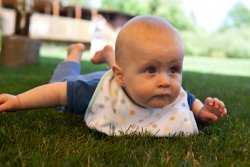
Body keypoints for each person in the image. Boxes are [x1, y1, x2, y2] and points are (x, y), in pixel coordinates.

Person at [0, 16, 227, 137]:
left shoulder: (172, 95)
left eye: (173, 69)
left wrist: (203, 113)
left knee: (132, 68)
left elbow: (189, 101)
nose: (165, 81)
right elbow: (58, 93)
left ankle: (110, 54)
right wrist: (18, 101)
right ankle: (74, 53)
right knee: (61, 81)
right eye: (151, 70)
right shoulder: (93, 93)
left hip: (123, 71)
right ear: (119, 76)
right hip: (103, 81)